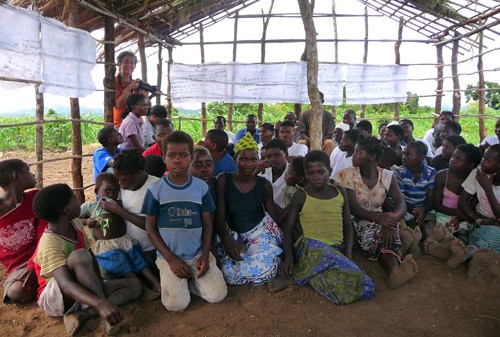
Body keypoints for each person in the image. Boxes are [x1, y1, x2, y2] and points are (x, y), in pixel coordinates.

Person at [32, 183, 141, 336]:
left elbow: (91, 257)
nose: (79, 201)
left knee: (135, 285)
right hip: (56, 297)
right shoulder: (50, 242)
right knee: (80, 255)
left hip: (82, 289)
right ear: (67, 210)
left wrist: (99, 287)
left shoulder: (75, 224)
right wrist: (100, 302)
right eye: (74, 199)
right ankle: (102, 311)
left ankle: (82, 315)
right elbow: (65, 284)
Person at [271, 150, 375, 304]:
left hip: (335, 249)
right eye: (310, 173)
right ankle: (300, 272)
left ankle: (301, 275)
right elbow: (288, 229)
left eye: (320, 172)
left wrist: (348, 254)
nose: (315, 176)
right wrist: (289, 259)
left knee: (363, 286)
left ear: (330, 171)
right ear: (305, 175)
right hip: (309, 248)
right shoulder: (301, 195)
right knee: (358, 278)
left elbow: (347, 225)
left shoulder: (340, 192)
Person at [142, 131, 227, 311]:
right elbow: (150, 227)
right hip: (169, 256)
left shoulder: (201, 187)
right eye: (172, 155)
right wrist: (171, 259)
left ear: (190, 158)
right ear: (164, 158)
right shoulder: (156, 190)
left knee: (217, 295)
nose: (178, 160)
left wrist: (204, 255)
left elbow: (207, 224)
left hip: (196, 255)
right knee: (176, 304)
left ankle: (190, 282)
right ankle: (178, 281)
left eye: (183, 155)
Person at [336, 136, 418, 289]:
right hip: (353, 220)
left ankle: (395, 272)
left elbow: (401, 204)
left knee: (389, 230)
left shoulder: (387, 175)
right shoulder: (346, 175)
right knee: (377, 231)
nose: (354, 155)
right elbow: (353, 208)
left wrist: (391, 220)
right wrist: (381, 219)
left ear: (372, 157)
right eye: (354, 151)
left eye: (359, 152)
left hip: (380, 220)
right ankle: (395, 267)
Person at [215, 132, 283, 285]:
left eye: (253, 159)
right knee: (228, 273)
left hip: (258, 231)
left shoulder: (264, 185)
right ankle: (252, 264)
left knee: (264, 268)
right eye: (243, 159)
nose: (248, 164)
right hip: (231, 231)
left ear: (258, 160)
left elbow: (273, 216)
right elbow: (220, 218)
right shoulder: (223, 180)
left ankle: (269, 260)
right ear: (235, 160)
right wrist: (227, 238)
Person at [80, 173, 161, 301]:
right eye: (107, 191)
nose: (111, 194)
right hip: (108, 247)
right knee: (124, 267)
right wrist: (86, 222)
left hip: (125, 241)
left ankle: (156, 283)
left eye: (115, 191)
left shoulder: (119, 204)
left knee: (141, 263)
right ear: (96, 191)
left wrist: (119, 208)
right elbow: (74, 218)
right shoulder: (90, 207)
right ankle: (143, 290)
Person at [103, 149, 160, 268]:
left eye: (123, 179)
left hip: (153, 249)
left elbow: (151, 225)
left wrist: (119, 210)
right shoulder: (125, 187)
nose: (120, 184)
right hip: (131, 249)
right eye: (117, 179)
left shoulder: (156, 187)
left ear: (139, 172)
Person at [0, 159, 46, 304]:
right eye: (28, 170)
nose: (33, 175)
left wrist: (33, 265)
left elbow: (43, 237)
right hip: (18, 266)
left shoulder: (35, 198)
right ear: (16, 176)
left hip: (43, 255)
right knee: (17, 292)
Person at [456, 145, 500, 250]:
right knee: (459, 229)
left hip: (496, 225)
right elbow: (462, 202)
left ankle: (468, 252)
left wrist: (487, 189)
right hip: (477, 218)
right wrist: (478, 220)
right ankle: (465, 248)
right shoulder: (478, 173)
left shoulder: (483, 180)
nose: (482, 162)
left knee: (492, 235)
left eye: (487, 160)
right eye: (483, 157)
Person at [431, 144, 481, 232]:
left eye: (459, 159)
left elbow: (472, 206)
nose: (453, 160)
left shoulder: (475, 179)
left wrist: (459, 218)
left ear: (471, 165)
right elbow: (437, 205)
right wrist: (457, 212)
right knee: (433, 229)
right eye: (453, 156)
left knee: (463, 234)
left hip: (464, 217)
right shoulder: (442, 175)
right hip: (441, 213)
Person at [395, 141, 437, 240]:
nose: (404, 157)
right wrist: (414, 211)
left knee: (429, 230)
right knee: (411, 230)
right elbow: (400, 200)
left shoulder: (431, 172)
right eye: (404, 153)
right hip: (406, 209)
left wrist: (424, 209)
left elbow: (430, 197)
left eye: (409, 155)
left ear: (421, 157)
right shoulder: (399, 172)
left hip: (426, 208)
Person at [297, 91, 336, 156]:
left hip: (323, 141)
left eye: (318, 99)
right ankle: (302, 163)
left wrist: (319, 140)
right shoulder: (304, 115)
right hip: (308, 141)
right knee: (302, 142)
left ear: (323, 101)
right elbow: (302, 133)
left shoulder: (329, 116)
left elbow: (330, 134)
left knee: (330, 143)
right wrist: (310, 140)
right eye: (313, 99)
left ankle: (326, 162)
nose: (315, 101)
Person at [113, 51, 142, 128]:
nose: (129, 65)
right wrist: (129, 88)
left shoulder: (136, 84)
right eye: (126, 62)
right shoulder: (114, 82)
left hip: (137, 123)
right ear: (119, 64)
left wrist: (145, 96)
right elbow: (118, 105)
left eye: (132, 63)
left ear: (134, 66)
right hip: (120, 124)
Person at [260, 138, 289, 209]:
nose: (272, 159)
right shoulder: (263, 174)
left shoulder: (293, 173)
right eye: (269, 156)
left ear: (286, 154)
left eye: (277, 155)